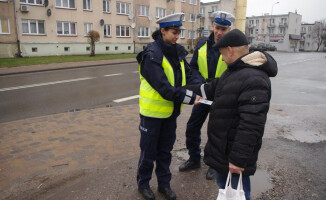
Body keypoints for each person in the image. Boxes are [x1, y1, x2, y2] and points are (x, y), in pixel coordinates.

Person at [185, 29, 278, 200]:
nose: (221, 58)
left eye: (221, 53)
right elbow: (212, 89)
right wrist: (180, 91)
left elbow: (252, 124)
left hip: (233, 155)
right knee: (227, 189)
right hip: (224, 150)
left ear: (229, 50)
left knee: (237, 193)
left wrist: (238, 159)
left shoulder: (253, 78)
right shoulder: (236, 71)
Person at [136, 13, 202, 200]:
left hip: (170, 115)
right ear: (162, 31)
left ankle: (164, 185)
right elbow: (164, 88)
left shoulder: (177, 53)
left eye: (178, 32)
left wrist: (204, 87)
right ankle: (143, 184)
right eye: (174, 32)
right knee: (148, 153)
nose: (177, 36)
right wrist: (191, 97)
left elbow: (189, 76)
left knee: (165, 153)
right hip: (151, 115)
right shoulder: (151, 56)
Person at [178, 11, 235, 180]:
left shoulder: (231, 48)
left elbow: (236, 71)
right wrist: (201, 83)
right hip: (203, 95)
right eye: (217, 27)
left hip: (222, 96)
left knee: (216, 132)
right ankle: (194, 159)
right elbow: (193, 68)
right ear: (212, 26)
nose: (219, 32)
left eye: (223, 29)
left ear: (228, 30)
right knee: (192, 127)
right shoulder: (202, 45)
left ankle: (214, 164)